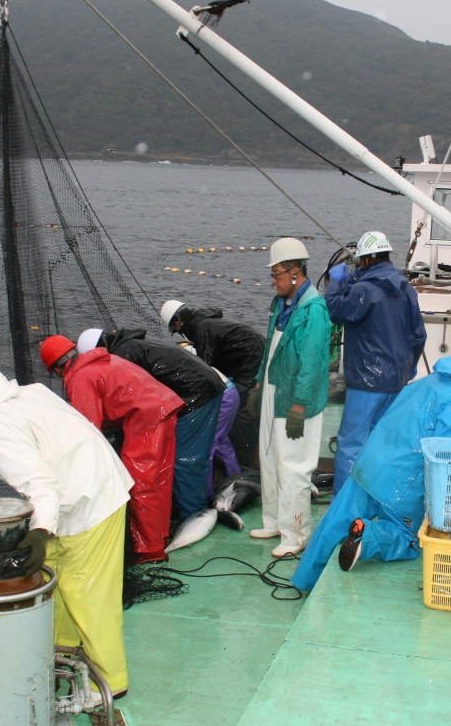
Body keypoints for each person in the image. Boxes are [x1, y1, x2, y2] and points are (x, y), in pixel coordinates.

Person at [0, 358, 133, 696]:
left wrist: (39, 532)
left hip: (92, 498)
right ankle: (61, 648)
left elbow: (41, 484)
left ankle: (107, 683)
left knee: (89, 593)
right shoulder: (23, 393)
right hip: (81, 488)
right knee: (58, 578)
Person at [290, 336, 451, 592]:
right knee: (408, 539)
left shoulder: (433, 380)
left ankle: (303, 581)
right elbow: (445, 459)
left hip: (369, 464)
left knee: (334, 521)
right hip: (401, 482)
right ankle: (366, 536)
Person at [40, 335, 183, 564]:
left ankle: (150, 550)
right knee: (160, 480)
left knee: (139, 483)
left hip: (145, 420)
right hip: (166, 409)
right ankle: (160, 536)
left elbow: (89, 429)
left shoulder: (80, 376)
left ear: (56, 369)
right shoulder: (103, 360)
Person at [77, 327, 225, 520]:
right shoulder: (131, 343)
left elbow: (133, 398)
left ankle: (194, 516)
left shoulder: (123, 354)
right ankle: (194, 505)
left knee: (185, 459)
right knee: (189, 456)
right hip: (202, 385)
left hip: (196, 393)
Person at [325, 231, 427, 493]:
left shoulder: (364, 290)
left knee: (350, 445)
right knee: (381, 443)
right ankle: (376, 500)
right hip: (396, 382)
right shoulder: (407, 291)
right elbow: (419, 336)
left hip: (365, 384)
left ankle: (343, 509)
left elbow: (335, 310)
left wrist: (336, 279)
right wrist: (409, 366)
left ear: (366, 260)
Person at [251, 237, 331, 558]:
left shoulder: (313, 310)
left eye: (278, 274)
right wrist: (259, 384)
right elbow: (270, 345)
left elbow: (311, 364)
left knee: (293, 465)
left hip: (296, 400)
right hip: (274, 390)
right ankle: (274, 521)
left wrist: (299, 404)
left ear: (296, 273)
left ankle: (296, 533)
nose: (274, 280)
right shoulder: (281, 303)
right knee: (269, 457)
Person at [161, 301, 266, 470]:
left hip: (251, 359)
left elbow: (205, 369)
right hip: (249, 355)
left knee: (242, 409)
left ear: (178, 322)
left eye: (177, 328)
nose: (180, 333)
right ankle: (245, 455)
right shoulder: (204, 322)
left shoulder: (202, 330)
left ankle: (248, 458)